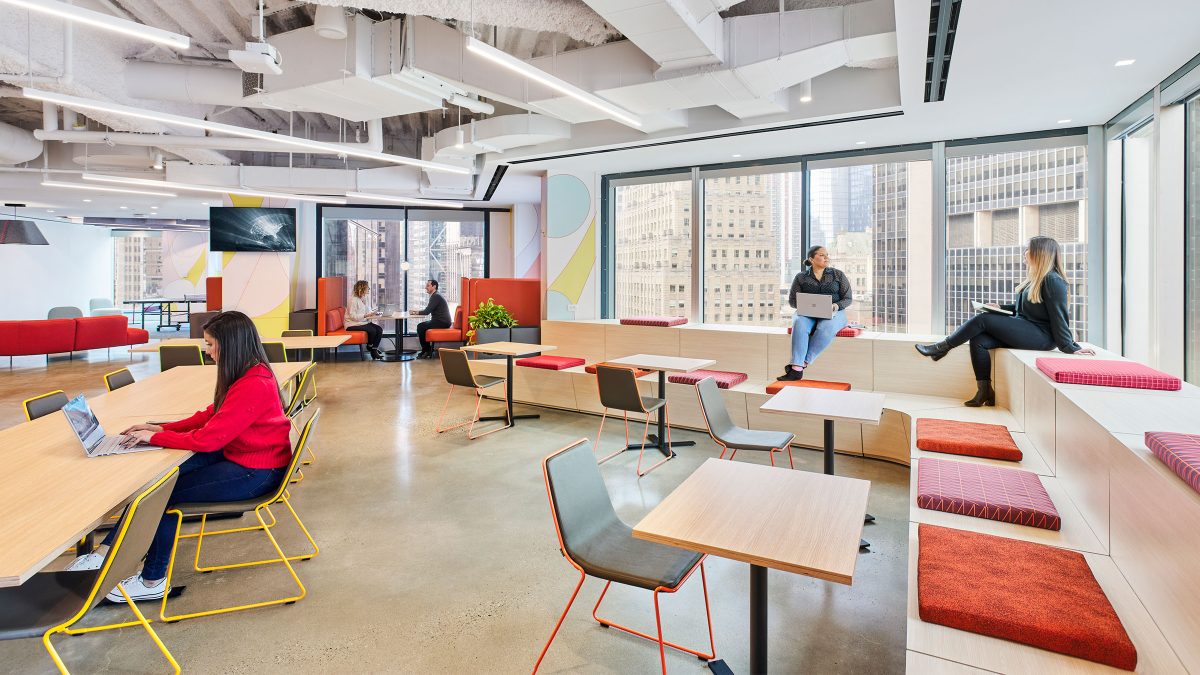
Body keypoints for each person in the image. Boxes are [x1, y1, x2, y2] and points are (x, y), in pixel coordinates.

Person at [64, 311, 294, 601]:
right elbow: (210, 416)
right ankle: (106, 553)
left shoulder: (253, 384)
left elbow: (210, 439)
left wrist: (156, 438)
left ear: (231, 345)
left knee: (165, 495)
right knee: (159, 480)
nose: (207, 351)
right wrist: (159, 427)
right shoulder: (248, 372)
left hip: (255, 471)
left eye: (211, 345)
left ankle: (152, 581)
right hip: (243, 454)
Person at [915, 235, 1096, 406]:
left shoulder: (1053, 280)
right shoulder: (1035, 280)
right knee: (979, 340)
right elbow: (1023, 309)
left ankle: (941, 348)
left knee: (983, 320)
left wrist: (1070, 347)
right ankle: (984, 391)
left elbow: (1059, 316)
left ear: (1040, 254)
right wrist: (999, 307)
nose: (1024, 253)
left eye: (1028, 249)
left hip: (1041, 336)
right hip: (1028, 328)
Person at [778, 245, 854, 381]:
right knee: (799, 322)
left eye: (827, 255)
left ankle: (801, 364)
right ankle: (796, 369)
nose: (826, 257)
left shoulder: (837, 274)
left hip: (835, 312)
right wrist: (806, 305)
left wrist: (835, 305)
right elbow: (792, 301)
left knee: (826, 327)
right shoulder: (801, 277)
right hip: (808, 313)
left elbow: (848, 298)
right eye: (822, 255)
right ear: (811, 259)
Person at [410, 278, 451, 359]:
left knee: (420, 326)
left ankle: (426, 351)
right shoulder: (436, 295)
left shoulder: (435, 296)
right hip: (440, 321)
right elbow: (427, 310)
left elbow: (427, 311)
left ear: (434, 286)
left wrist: (414, 312)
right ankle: (426, 350)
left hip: (442, 322)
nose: (426, 287)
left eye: (428, 286)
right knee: (422, 326)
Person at [346, 280, 385, 360]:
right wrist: (366, 315)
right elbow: (352, 316)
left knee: (379, 329)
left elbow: (367, 311)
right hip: (352, 324)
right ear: (362, 288)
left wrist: (374, 312)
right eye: (368, 288)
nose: (369, 289)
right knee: (372, 330)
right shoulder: (353, 300)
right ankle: (371, 348)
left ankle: (373, 349)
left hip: (362, 322)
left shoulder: (363, 298)